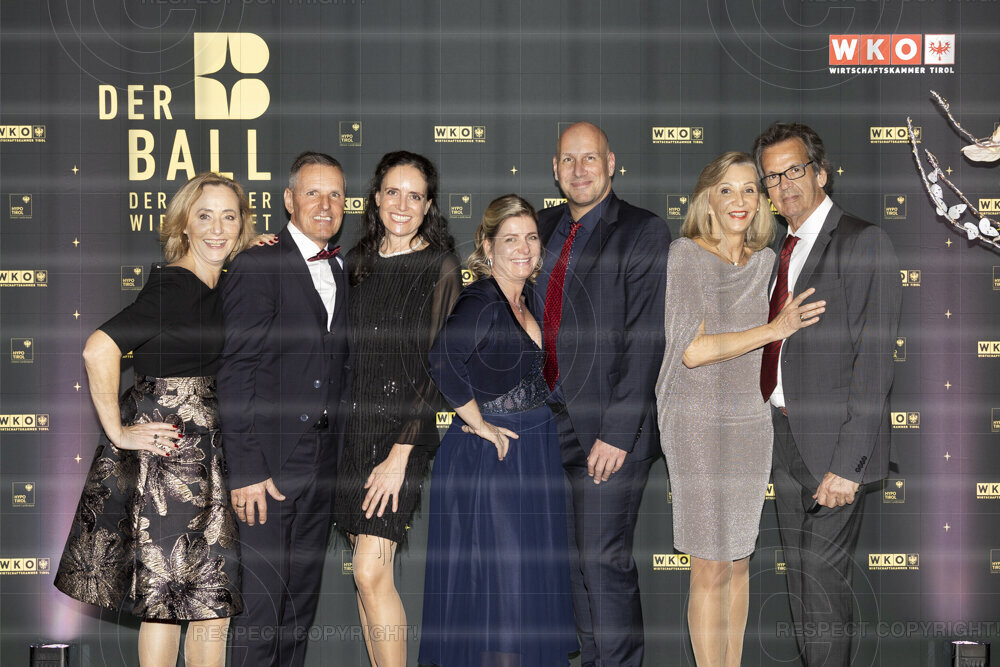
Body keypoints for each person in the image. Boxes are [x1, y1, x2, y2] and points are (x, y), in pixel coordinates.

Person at [55, 172, 261, 667]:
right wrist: (118, 432)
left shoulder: (219, 283)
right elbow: (99, 348)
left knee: (202, 607)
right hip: (172, 454)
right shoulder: (176, 286)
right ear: (184, 225)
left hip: (203, 451)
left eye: (229, 217)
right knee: (175, 605)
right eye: (204, 216)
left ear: (242, 225)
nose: (217, 228)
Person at [654, 152, 825, 667]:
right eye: (726, 189)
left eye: (750, 189)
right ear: (707, 198)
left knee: (739, 561)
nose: (740, 200)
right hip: (695, 421)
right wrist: (773, 329)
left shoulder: (767, 262)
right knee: (709, 564)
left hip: (751, 422)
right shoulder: (686, 254)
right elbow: (692, 350)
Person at [753, 122, 901, 667]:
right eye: (772, 177)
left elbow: (875, 361)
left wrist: (849, 464)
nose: (784, 185)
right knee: (802, 593)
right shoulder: (778, 251)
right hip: (782, 440)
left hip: (834, 452)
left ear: (821, 173)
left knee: (822, 592)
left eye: (794, 170)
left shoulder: (864, 241)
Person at [419, 195, 578, 667]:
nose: (523, 248)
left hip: (533, 453)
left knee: (525, 598)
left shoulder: (526, 298)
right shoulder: (481, 300)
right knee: (501, 599)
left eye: (530, 238)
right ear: (487, 246)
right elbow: (442, 359)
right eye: (510, 239)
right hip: (494, 462)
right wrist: (479, 423)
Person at [538, 121, 671, 667]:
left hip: (608, 432)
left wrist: (617, 434)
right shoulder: (538, 226)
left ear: (611, 163)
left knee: (602, 562)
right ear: (555, 168)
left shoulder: (643, 231)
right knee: (573, 566)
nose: (579, 170)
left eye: (589, 158)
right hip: (545, 425)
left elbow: (645, 338)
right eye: (568, 160)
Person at [216, 152, 352, 667]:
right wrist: (247, 469)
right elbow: (235, 371)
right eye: (313, 193)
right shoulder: (258, 264)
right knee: (260, 615)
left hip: (323, 467)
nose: (325, 204)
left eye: (335, 194)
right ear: (290, 200)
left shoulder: (342, 268)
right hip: (267, 469)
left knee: (298, 615)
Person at [332, 151, 461, 667]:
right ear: (376, 198)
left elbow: (439, 368)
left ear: (428, 205)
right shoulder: (355, 262)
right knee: (369, 581)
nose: (402, 205)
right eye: (392, 192)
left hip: (400, 438)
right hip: (351, 434)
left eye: (415, 196)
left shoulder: (440, 267)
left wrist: (401, 453)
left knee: (369, 571)